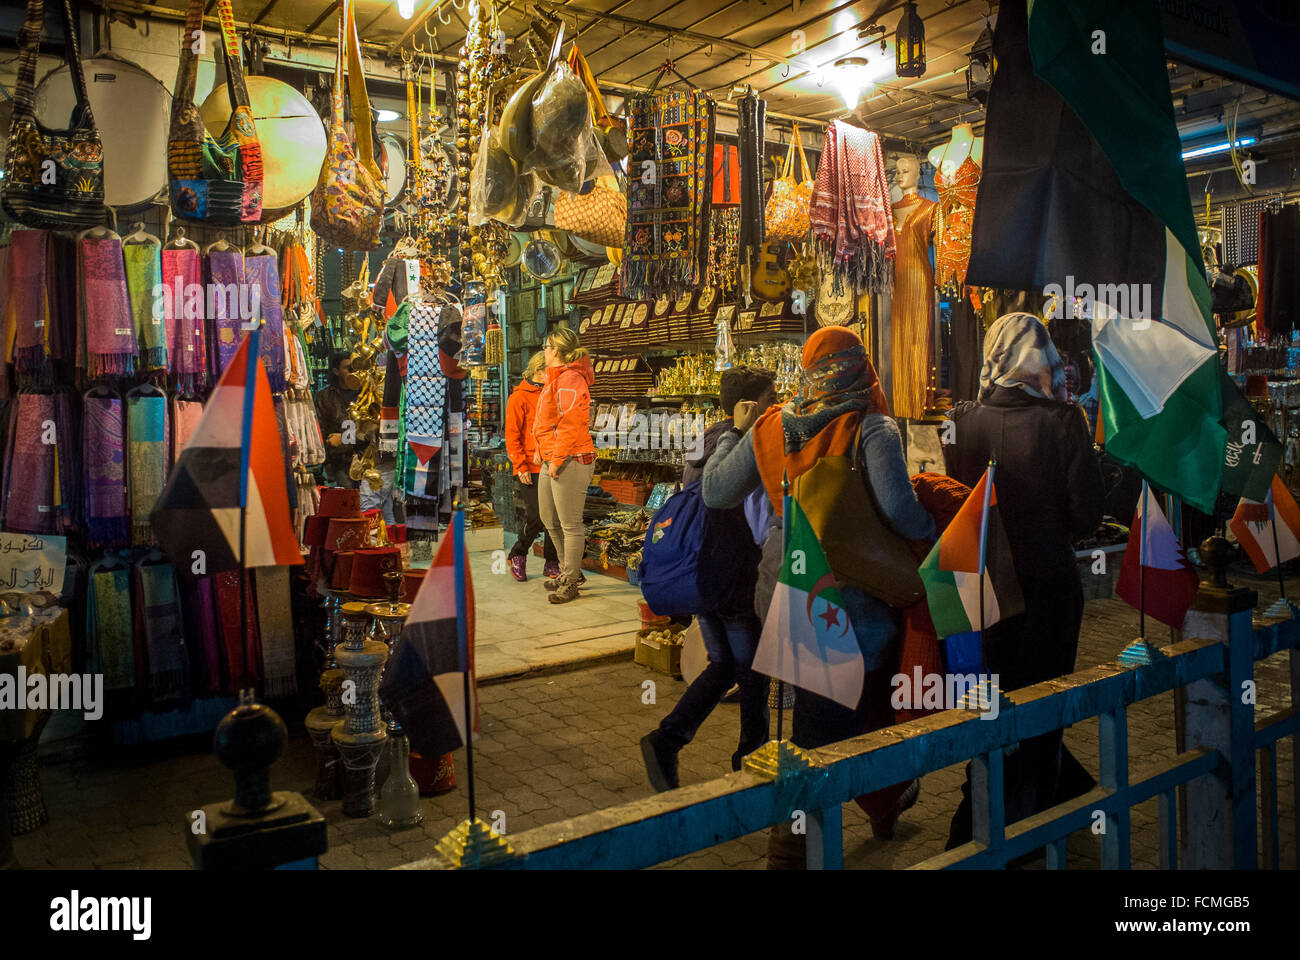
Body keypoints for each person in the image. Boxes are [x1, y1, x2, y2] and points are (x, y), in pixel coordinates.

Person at [701, 327, 935, 863]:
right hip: (852, 598)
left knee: (823, 711)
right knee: (839, 723)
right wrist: (931, 528)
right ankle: (795, 844)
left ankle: (875, 804)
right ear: (861, 368)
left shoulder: (772, 425)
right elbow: (899, 509)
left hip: (785, 589)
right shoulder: (870, 426)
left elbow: (716, 491)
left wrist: (734, 433)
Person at [941, 312, 1104, 850]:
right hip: (1048, 591)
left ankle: (985, 818)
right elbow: (1087, 516)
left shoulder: (962, 420)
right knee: (1042, 705)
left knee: (991, 701)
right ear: (1043, 361)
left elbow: (948, 497)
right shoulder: (1064, 422)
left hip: (981, 589)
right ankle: (1023, 828)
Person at [640, 366, 778, 791]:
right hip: (734, 575)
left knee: (724, 664)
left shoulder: (705, 439)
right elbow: (754, 517)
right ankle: (752, 762)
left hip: (703, 572)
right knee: (754, 670)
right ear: (751, 405)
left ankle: (667, 740)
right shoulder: (744, 443)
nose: (776, 406)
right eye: (772, 399)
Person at [532, 327, 595, 604]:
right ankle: (570, 571)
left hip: (570, 458)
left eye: (545, 347)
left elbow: (570, 425)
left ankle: (570, 580)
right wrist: (539, 450)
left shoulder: (570, 379)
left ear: (555, 350)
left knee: (570, 523)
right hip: (552, 457)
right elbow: (547, 421)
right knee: (549, 519)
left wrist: (556, 460)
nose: (543, 352)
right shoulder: (555, 378)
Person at [505, 352, 559, 582]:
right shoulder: (518, 398)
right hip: (530, 467)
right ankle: (518, 553)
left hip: (553, 463)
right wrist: (520, 466)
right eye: (549, 370)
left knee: (554, 517)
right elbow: (512, 435)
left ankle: (552, 561)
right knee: (537, 516)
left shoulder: (553, 393)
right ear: (538, 371)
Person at [315, 351, 359, 489]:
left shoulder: (365, 394)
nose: (353, 372)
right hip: (339, 465)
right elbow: (322, 436)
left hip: (365, 459)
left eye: (356, 368)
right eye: (349, 368)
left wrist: (344, 439)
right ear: (336, 371)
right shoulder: (324, 397)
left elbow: (371, 429)